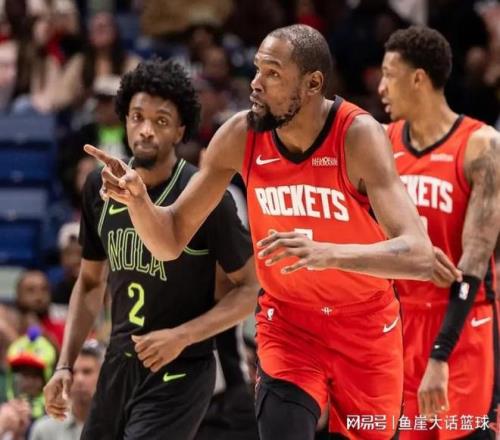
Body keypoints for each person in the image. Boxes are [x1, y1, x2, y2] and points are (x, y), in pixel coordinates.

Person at [86, 24, 434, 440]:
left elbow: (419, 255)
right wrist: (140, 202)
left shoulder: (358, 136)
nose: (255, 83)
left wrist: (327, 253)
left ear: (312, 84)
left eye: (272, 74)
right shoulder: (240, 135)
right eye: (256, 69)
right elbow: (170, 238)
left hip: (366, 328)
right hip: (288, 325)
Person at [43, 58, 258, 440]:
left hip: (181, 366)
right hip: (118, 363)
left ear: (180, 130)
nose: (145, 130)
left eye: (161, 121)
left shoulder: (204, 196)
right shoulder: (99, 187)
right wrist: (64, 364)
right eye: (137, 117)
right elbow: (90, 283)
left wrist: (183, 335)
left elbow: (250, 288)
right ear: (125, 120)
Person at [378, 25, 500, 438]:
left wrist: (440, 354)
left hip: (462, 326)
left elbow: (475, 259)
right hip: (401, 325)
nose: (380, 87)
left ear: (418, 79)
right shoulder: (381, 144)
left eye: (388, 75)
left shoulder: (481, 146)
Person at [30, 341, 103, 440]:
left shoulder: (117, 427)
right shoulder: (44, 430)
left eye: (87, 372)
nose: (79, 379)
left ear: (103, 376)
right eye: (72, 372)